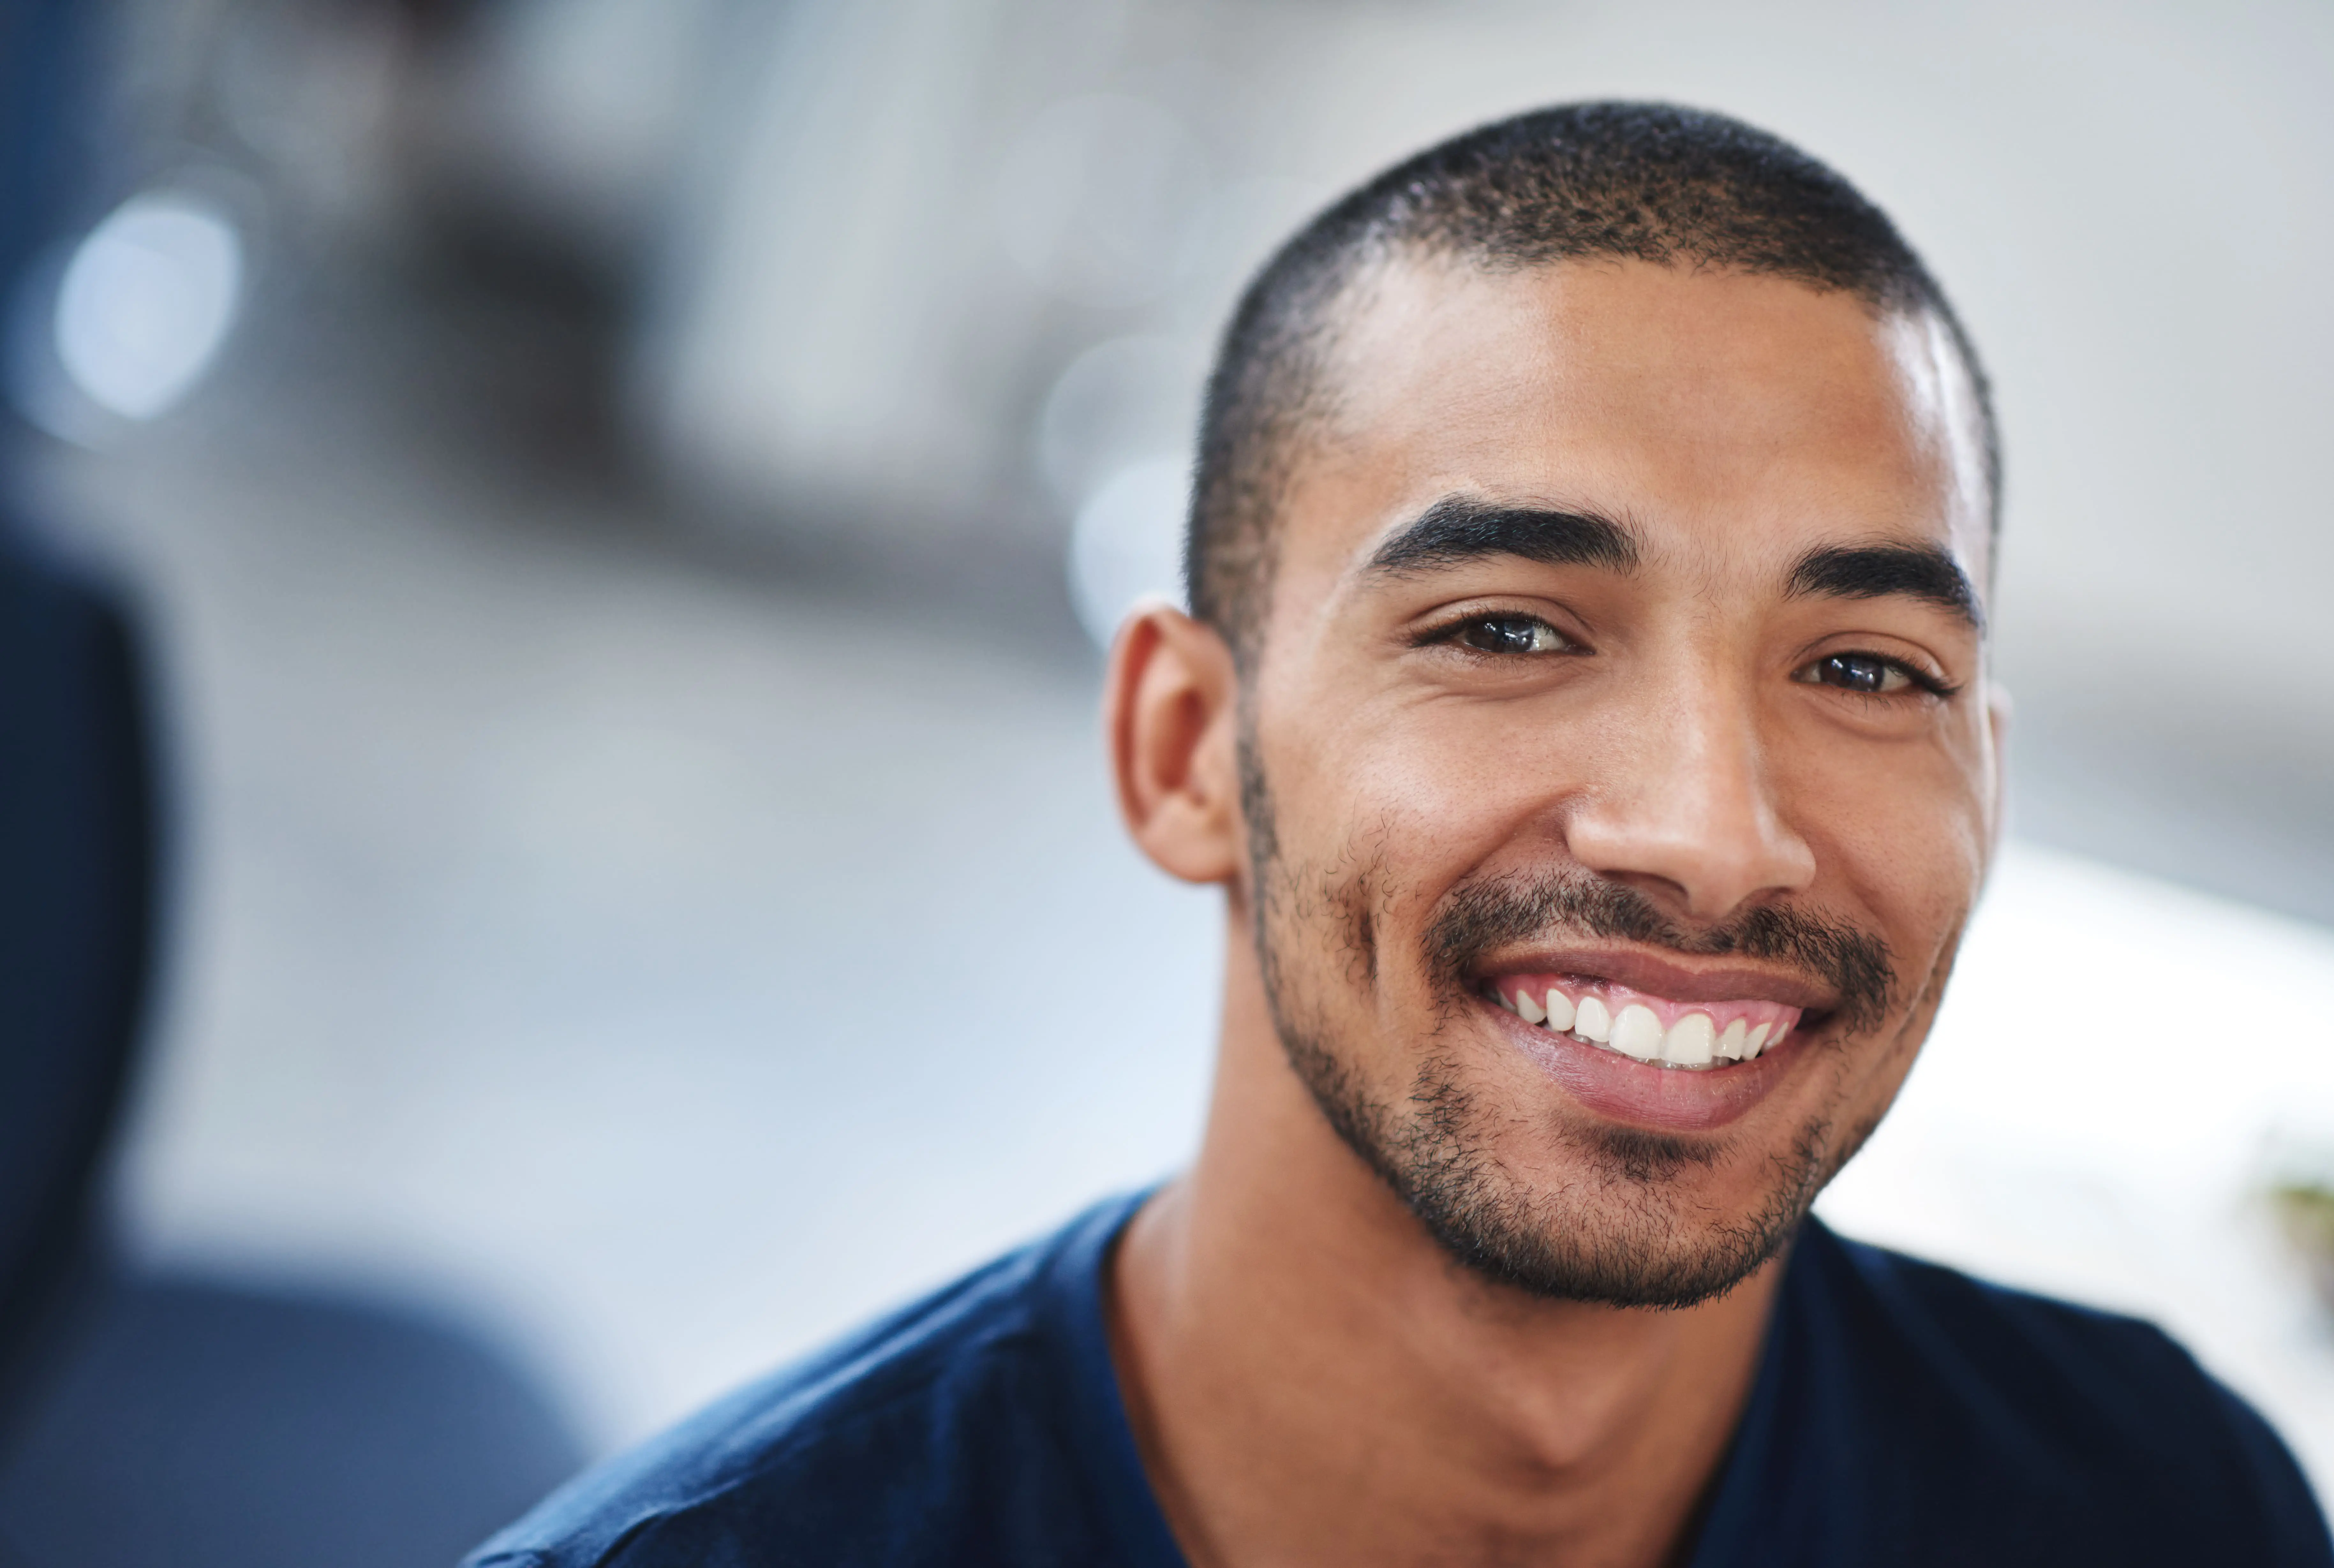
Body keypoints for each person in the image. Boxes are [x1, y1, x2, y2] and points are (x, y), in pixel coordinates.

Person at [465, 102, 2333, 1567]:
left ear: (1987, 789)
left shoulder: (2167, 1508)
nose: (1711, 835)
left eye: (1862, 667)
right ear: (1189, 750)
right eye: (1507, 632)